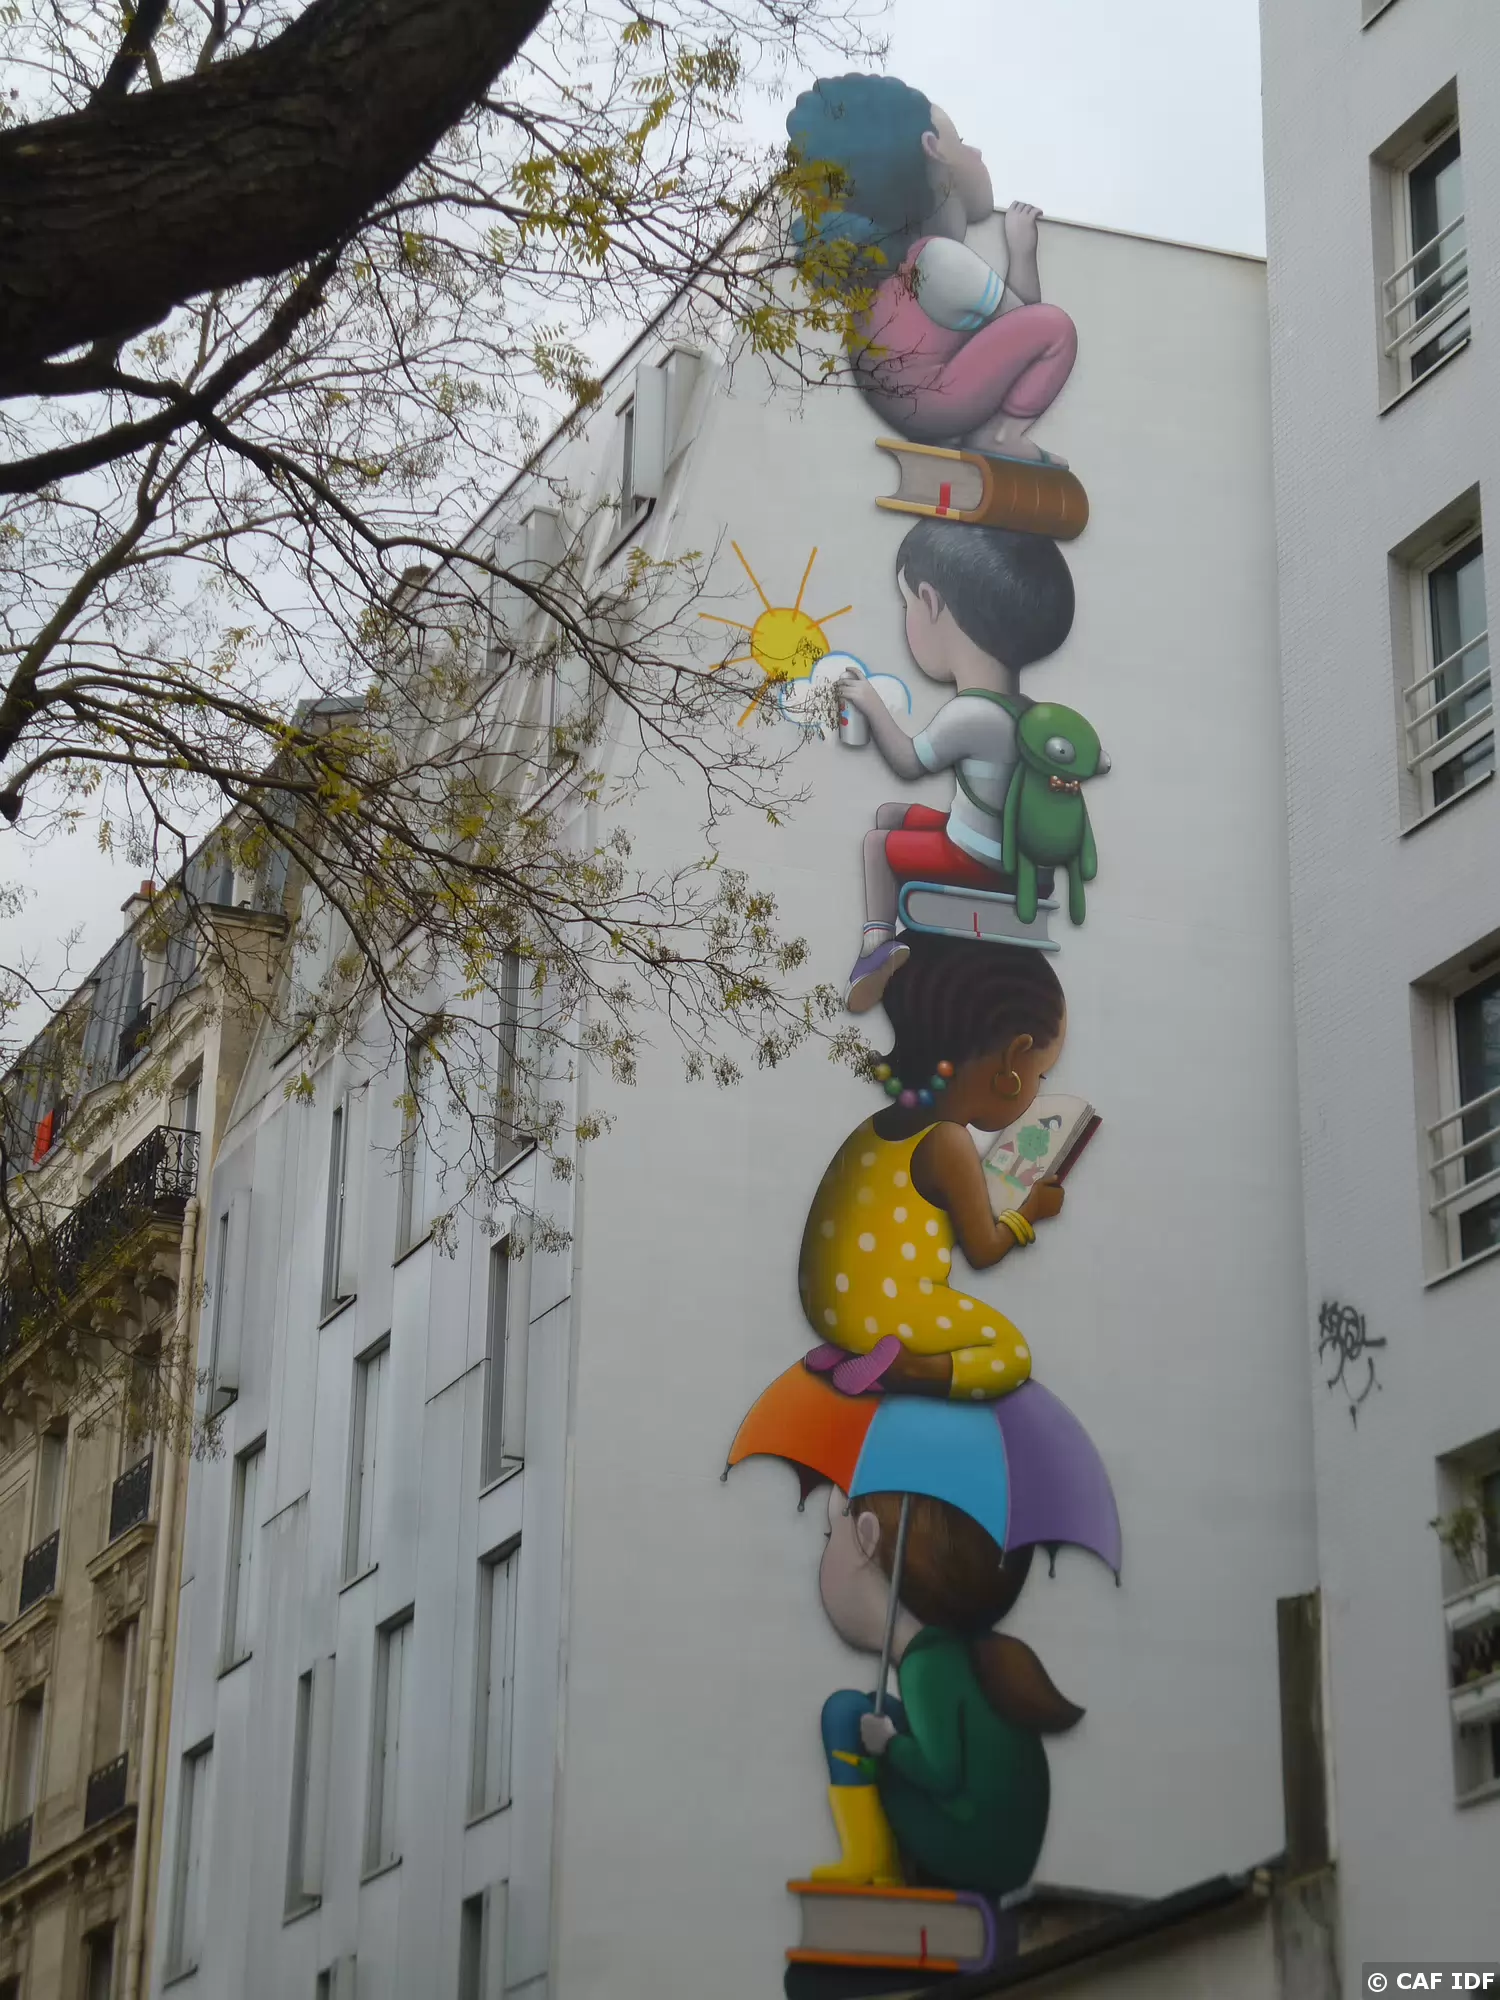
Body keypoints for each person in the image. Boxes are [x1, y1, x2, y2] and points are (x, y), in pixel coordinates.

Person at [798, 934, 1067, 1400]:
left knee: (889, 1296)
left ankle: (853, 1349)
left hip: (825, 1307)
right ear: (1012, 1060)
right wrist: (1032, 1211)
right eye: (1040, 1074)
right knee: (1011, 1353)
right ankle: (906, 1368)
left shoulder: (876, 1125)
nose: (1038, 1088)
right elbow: (983, 1251)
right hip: (880, 1313)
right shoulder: (948, 1143)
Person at [839, 519, 1075, 1014]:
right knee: (891, 814)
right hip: (1010, 851)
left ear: (931, 602)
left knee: (878, 844)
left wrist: (871, 705)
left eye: (906, 604)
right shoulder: (1030, 713)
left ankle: (875, 948)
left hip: (984, 860)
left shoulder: (971, 714)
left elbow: (908, 762)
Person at [785, 74, 1077, 460]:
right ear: (934, 149)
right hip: (936, 402)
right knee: (1055, 327)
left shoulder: (890, 268)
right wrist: (1022, 250)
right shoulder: (939, 259)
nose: (977, 152)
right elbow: (1024, 322)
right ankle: (1001, 435)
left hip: (901, 403)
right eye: (961, 141)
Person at [811, 1487, 1083, 1895]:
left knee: (846, 1713)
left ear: (867, 1538)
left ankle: (872, 1858)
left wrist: (888, 1745)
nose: (827, 1549)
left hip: (972, 1846)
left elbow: (941, 1774)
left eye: (831, 1534)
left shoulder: (927, 1666)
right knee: (867, 1710)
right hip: (996, 1846)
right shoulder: (952, 1655)